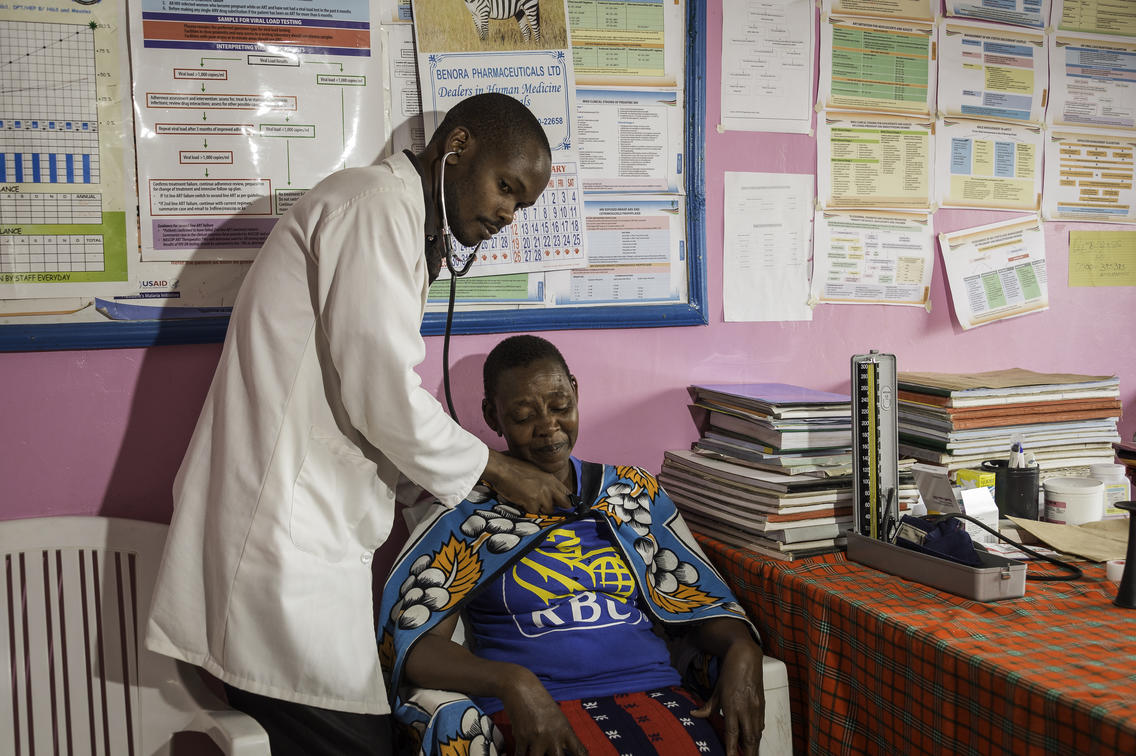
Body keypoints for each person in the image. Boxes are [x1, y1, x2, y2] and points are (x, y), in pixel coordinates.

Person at [145, 94, 572, 756]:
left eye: (522, 205)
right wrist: (498, 470)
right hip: (277, 539)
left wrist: (436, 495)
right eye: (505, 187)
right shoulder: (373, 206)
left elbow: (365, 401)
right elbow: (384, 396)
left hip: (312, 534)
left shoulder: (399, 223)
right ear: (457, 147)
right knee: (356, 742)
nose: (507, 215)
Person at [379, 335, 766, 756]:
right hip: (536, 711)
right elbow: (414, 646)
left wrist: (741, 646)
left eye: (560, 406)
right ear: (493, 416)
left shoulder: (631, 492)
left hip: (654, 691)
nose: (548, 426)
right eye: (523, 415)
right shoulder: (467, 511)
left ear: (576, 392)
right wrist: (511, 681)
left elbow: (699, 601)